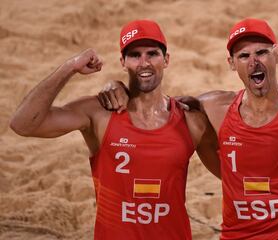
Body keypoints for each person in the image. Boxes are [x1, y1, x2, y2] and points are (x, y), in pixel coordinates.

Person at [98, 18, 278, 239]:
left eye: (261, 52)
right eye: (244, 56)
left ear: (276, 56)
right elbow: (156, 106)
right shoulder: (214, 106)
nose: (253, 62)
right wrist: (117, 86)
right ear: (231, 63)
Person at [9, 20, 221, 240]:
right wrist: (70, 67)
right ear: (123, 62)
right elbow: (23, 124)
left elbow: (232, 172)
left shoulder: (190, 119)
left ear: (166, 60)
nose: (144, 63)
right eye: (135, 55)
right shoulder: (99, 113)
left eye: (152, 54)